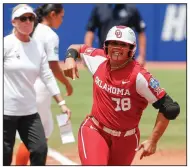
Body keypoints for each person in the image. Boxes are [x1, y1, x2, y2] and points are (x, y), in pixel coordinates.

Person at [63, 25, 180, 165]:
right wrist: (70, 58)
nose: (117, 47)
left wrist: (153, 140)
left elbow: (169, 108)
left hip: (127, 139)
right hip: (95, 130)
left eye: (123, 44)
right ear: (106, 45)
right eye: (113, 43)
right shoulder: (98, 59)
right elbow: (76, 48)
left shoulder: (139, 76)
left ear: (131, 49)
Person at [4, 4, 71, 165]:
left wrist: (61, 102)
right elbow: (54, 67)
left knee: (39, 146)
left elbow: (47, 74)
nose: (28, 21)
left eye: (31, 18)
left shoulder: (36, 46)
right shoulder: (5, 44)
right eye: (23, 18)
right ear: (14, 22)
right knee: (5, 154)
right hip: (8, 110)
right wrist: (67, 83)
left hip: (30, 108)